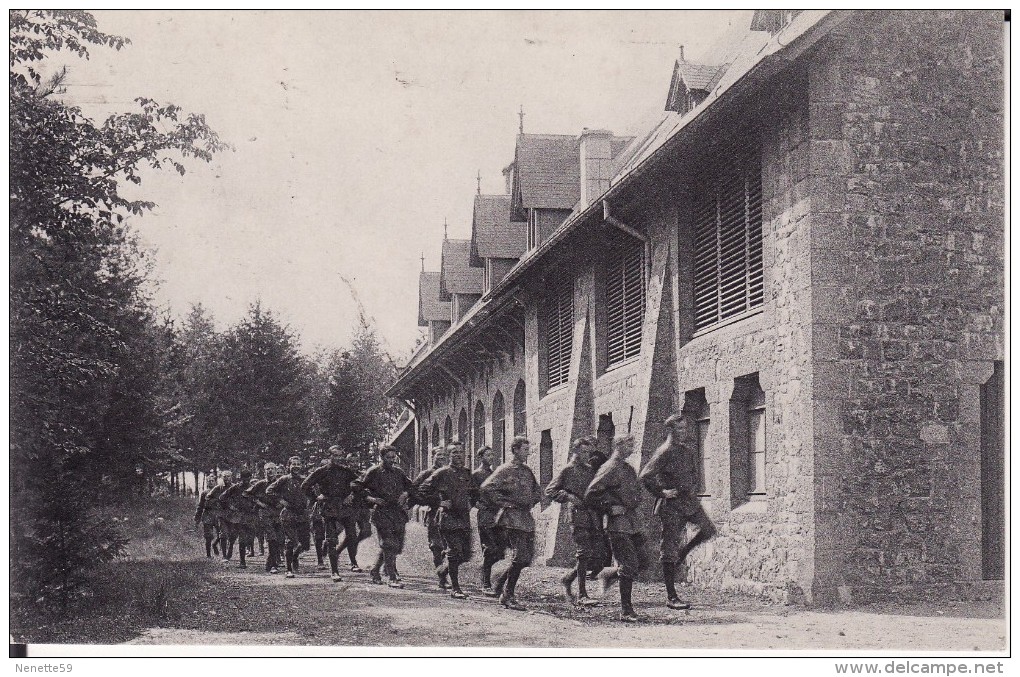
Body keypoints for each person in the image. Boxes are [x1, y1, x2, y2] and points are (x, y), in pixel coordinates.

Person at [640, 413, 718, 610]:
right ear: (670, 430)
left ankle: (683, 553)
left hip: (688, 502)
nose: (684, 433)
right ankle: (671, 596)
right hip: (672, 506)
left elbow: (692, 474)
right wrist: (662, 492)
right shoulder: (664, 452)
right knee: (668, 550)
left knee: (708, 529)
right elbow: (645, 476)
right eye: (680, 429)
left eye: (685, 429)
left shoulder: (686, 451)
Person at [585, 434, 649, 622]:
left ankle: (609, 573)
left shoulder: (628, 468)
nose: (632, 448)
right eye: (630, 445)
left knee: (643, 561)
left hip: (633, 522)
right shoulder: (609, 467)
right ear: (618, 445)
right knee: (629, 564)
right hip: (618, 525)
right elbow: (590, 495)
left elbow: (636, 492)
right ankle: (626, 610)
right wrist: (609, 507)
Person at [480, 436, 542, 611]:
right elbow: (486, 488)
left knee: (527, 558)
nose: (527, 453)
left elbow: (537, 491)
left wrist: (532, 500)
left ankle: (500, 581)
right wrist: (503, 502)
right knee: (520, 556)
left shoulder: (527, 471)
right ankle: (508, 595)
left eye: (528, 449)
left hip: (526, 518)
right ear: (515, 450)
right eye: (524, 449)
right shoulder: (505, 470)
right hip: (511, 519)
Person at [545, 437, 604, 606]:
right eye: (583, 452)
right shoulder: (567, 470)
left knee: (596, 556)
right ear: (576, 452)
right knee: (583, 552)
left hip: (592, 516)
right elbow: (550, 490)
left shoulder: (590, 470)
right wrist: (568, 496)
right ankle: (582, 594)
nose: (587, 455)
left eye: (588, 452)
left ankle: (568, 578)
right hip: (577, 516)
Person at [420, 443, 478, 599]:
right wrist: (438, 502)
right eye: (454, 453)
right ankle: (455, 588)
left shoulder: (467, 473)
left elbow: (474, 492)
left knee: (466, 555)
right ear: (449, 456)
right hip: (447, 518)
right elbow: (422, 490)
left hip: (464, 518)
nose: (458, 455)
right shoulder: (442, 473)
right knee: (454, 552)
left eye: (460, 452)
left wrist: (472, 502)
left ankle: (443, 569)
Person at [302, 446, 360, 583]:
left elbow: (360, 483)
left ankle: (354, 563)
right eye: (335, 455)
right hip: (329, 507)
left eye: (340, 455)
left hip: (345, 507)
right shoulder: (322, 471)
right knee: (331, 540)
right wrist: (316, 497)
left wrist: (352, 495)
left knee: (352, 535)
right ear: (330, 456)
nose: (338, 458)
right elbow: (305, 485)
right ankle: (334, 571)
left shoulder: (347, 471)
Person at [360, 445, 413, 588]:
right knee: (389, 544)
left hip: (398, 513)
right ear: (382, 457)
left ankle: (375, 570)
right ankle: (391, 578)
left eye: (393, 457)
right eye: (388, 457)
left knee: (397, 546)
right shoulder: (374, 472)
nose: (391, 460)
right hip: (382, 512)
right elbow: (358, 487)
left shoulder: (399, 472)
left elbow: (411, 486)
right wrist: (372, 499)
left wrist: (405, 494)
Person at [412, 445, 450, 589]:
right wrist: (434, 501)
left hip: (448, 515)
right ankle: (442, 579)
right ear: (432, 457)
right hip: (434, 514)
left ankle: (445, 573)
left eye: (444, 456)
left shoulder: (448, 473)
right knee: (437, 546)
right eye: (438, 455)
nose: (441, 458)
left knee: (448, 547)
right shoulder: (426, 474)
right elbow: (415, 491)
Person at [266, 456, 310, 578]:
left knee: (305, 544)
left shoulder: (305, 480)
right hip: (288, 514)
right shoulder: (284, 479)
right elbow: (269, 490)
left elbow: (313, 492)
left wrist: (310, 502)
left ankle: (295, 556)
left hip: (302, 514)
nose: (296, 466)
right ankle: (288, 569)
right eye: (293, 464)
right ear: (288, 466)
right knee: (290, 542)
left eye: (298, 464)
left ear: (301, 466)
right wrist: (281, 500)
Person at [471, 445, 506, 594]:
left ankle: (484, 568)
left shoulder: (494, 473)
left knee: (500, 551)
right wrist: (478, 505)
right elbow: (470, 494)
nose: (490, 458)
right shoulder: (476, 475)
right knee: (489, 548)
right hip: (485, 515)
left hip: (496, 515)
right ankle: (486, 583)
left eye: (492, 455)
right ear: (480, 457)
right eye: (487, 455)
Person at [336, 451, 372, 572]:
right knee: (351, 534)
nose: (354, 464)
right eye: (351, 462)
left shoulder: (363, 475)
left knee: (366, 531)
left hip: (363, 507)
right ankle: (353, 562)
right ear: (347, 463)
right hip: (349, 508)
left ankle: (338, 550)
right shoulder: (344, 475)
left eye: (356, 461)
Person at [247, 463, 284, 574]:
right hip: (265, 513)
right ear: (264, 471)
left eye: (272, 469)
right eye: (268, 469)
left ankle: (271, 562)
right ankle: (273, 565)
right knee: (271, 537)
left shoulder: (281, 483)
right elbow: (247, 494)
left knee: (280, 538)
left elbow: (288, 495)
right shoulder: (261, 484)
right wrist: (259, 502)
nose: (270, 471)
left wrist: (282, 503)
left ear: (276, 470)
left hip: (279, 513)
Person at [220, 469, 258, 569]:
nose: (246, 480)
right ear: (241, 478)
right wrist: (230, 506)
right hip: (239, 516)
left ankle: (236, 550)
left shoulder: (253, 488)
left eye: (248, 478)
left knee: (250, 538)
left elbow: (259, 499)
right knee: (242, 539)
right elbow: (222, 497)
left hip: (251, 516)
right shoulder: (235, 488)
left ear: (250, 478)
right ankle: (242, 561)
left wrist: (255, 505)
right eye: (244, 478)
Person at [194, 476, 222, 558]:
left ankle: (215, 545)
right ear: (207, 482)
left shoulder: (219, 491)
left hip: (217, 514)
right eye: (209, 481)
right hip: (207, 514)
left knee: (221, 534)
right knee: (208, 536)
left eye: (212, 481)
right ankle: (208, 554)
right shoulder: (204, 493)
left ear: (215, 482)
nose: (210, 482)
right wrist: (197, 518)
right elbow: (200, 506)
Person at [216, 471, 237, 562]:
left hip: (233, 515)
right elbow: (209, 497)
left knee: (233, 534)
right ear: (222, 477)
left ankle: (231, 548)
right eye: (224, 476)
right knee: (223, 534)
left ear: (231, 477)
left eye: (228, 476)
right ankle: (224, 556)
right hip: (222, 514)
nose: (226, 478)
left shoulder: (235, 487)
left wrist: (235, 506)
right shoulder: (218, 488)